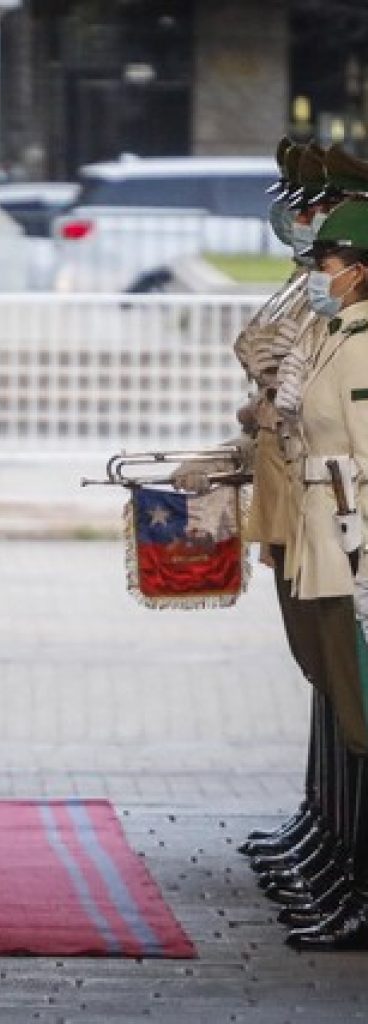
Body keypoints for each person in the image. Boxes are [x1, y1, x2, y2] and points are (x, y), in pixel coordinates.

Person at [277, 197, 368, 949]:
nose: (318, 276)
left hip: (353, 555)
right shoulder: (342, 335)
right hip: (328, 547)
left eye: (327, 266)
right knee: (350, 714)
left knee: (363, 722)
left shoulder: (363, 345)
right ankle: (352, 879)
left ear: (358, 273)